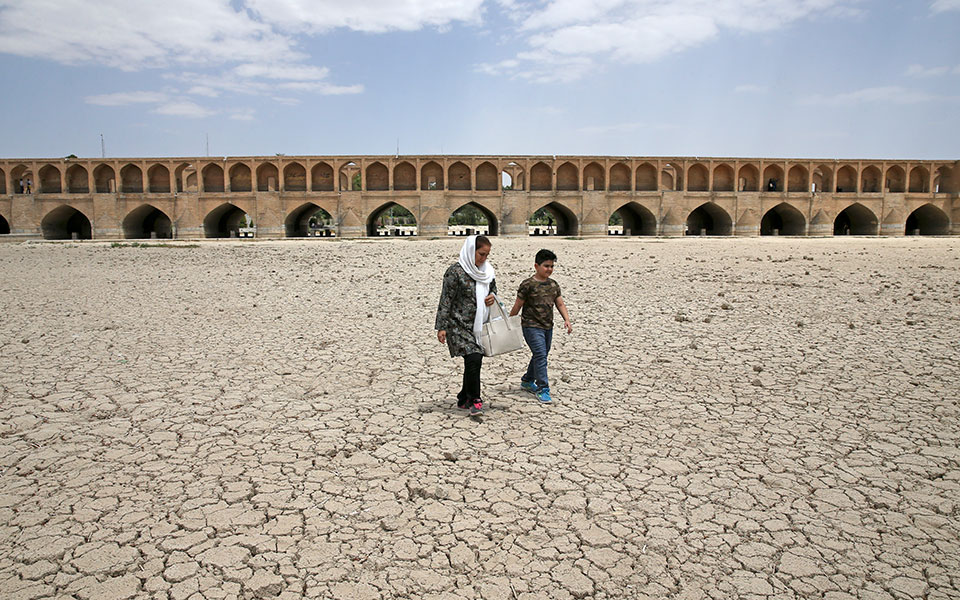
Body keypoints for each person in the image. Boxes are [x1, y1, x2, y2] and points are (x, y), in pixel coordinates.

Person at [435, 235, 497, 416]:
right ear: (471, 251)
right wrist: (442, 326)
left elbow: (493, 288)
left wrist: (492, 295)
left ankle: (464, 397)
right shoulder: (455, 272)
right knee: (474, 358)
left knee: (472, 359)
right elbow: (445, 300)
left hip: (479, 323)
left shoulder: (487, 271)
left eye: (486, 255)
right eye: (481, 254)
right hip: (458, 324)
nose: (483, 259)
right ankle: (475, 399)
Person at [509, 249, 572, 404]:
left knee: (541, 354)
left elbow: (560, 303)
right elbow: (518, 305)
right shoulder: (527, 285)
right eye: (546, 266)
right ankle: (543, 388)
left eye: (551, 266)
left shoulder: (553, 285)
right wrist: (509, 323)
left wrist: (567, 319)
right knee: (540, 354)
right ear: (536, 266)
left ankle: (527, 380)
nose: (549, 269)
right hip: (531, 326)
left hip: (547, 326)